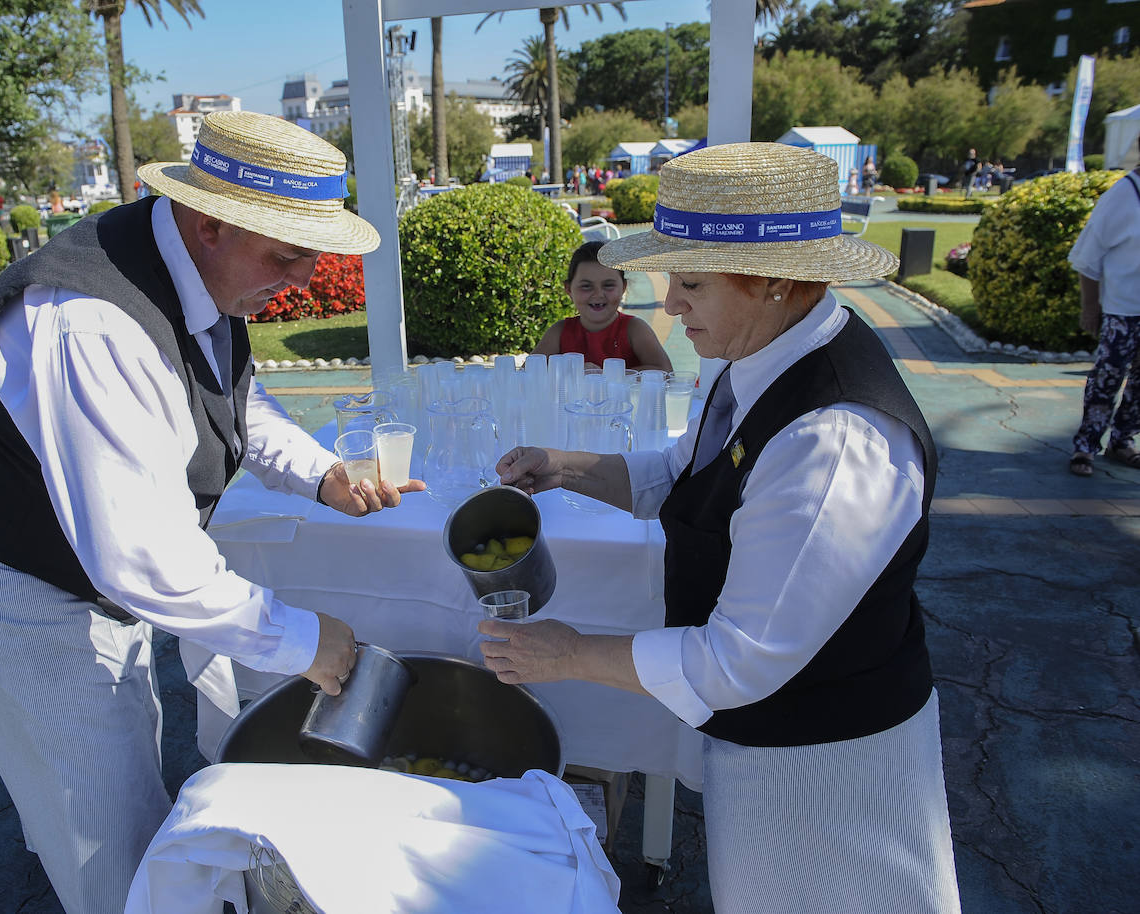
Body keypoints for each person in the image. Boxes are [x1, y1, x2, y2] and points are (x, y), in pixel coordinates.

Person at [0, 111, 422, 914]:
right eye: (288, 255)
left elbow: (232, 395)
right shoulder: (92, 322)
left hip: (79, 567)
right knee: (105, 819)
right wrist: (309, 641)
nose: (306, 279)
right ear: (209, 222)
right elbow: (141, 558)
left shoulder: (197, 270)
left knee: (117, 762)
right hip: (6, 583)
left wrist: (322, 475)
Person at [482, 143, 960, 912]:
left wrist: (570, 653)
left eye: (692, 281)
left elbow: (739, 660)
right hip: (769, 742)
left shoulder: (832, 439)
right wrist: (565, 465)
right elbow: (685, 472)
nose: (669, 304)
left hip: (824, 768)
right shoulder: (758, 353)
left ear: (774, 280)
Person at [1066, 148, 1140, 477]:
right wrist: (1090, 306)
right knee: (1108, 375)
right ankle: (1086, 445)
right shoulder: (1123, 194)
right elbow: (1087, 256)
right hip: (1124, 310)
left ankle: (1123, 440)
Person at [532, 240, 673, 372]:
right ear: (568, 289)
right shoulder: (559, 332)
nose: (598, 294)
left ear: (623, 287)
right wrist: (571, 372)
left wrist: (607, 375)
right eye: (586, 286)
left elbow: (665, 371)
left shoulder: (634, 329)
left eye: (608, 285)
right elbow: (529, 371)